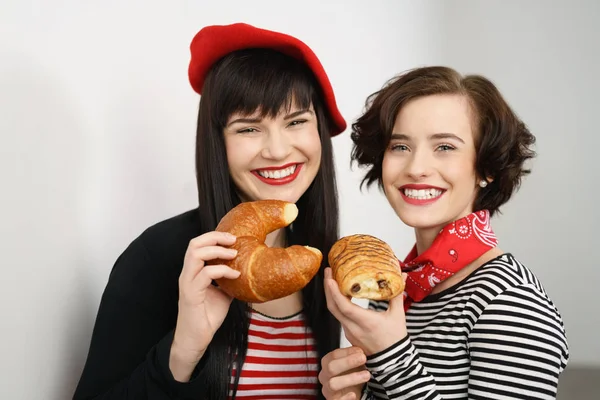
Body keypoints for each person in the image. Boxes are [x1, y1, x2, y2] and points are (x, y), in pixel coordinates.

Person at [73, 22, 347, 400]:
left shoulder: (328, 263)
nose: (278, 150)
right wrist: (183, 350)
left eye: (297, 121)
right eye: (248, 129)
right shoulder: (158, 258)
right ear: (216, 142)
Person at [318, 66, 569, 399]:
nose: (416, 167)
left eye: (445, 147)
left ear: (487, 167)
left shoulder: (509, 302)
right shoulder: (394, 293)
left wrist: (392, 355)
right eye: (400, 147)